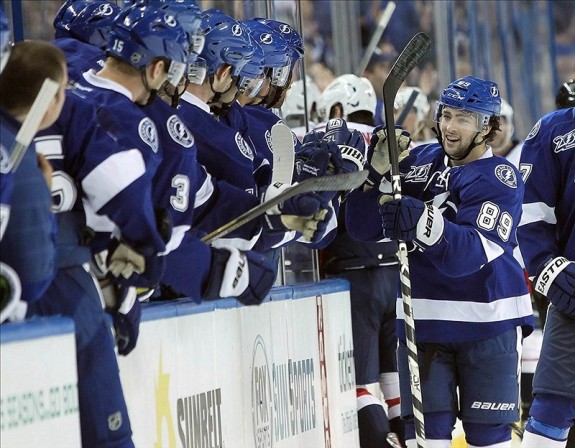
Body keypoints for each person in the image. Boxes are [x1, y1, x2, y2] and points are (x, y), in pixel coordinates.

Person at [345, 76, 534, 447]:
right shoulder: (415, 161)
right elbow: (361, 227)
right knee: (427, 439)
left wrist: (419, 220)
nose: (449, 126)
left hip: (489, 322)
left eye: (464, 118)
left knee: (488, 438)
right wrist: (372, 178)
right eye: (446, 114)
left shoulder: (500, 178)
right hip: (424, 323)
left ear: (489, 127)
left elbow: (467, 256)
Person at [315, 73, 405, 447]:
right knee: (396, 382)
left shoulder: (327, 137)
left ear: (336, 109)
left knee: (359, 385)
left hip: (354, 276)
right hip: (396, 275)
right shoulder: (395, 142)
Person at [517, 105, 575, 448]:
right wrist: (551, 271)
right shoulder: (555, 132)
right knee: (551, 412)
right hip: (574, 299)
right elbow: (530, 214)